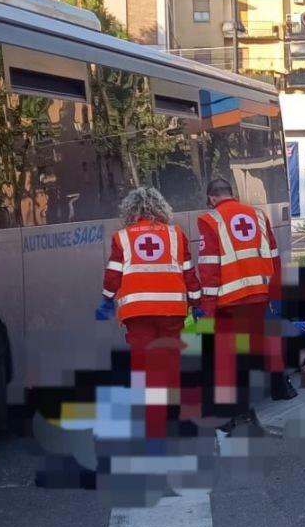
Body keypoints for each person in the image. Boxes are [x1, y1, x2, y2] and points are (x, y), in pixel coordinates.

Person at [96, 187, 200, 441]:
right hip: (171, 311)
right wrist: (197, 302)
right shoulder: (176, 235)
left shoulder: (122, 237)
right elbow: (188, 272)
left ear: (130, 210)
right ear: (160, 207)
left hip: (137, 313)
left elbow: (113, 275)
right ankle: (176, 418)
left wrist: (106, 300)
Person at [195, 178, 294, 415]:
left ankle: (237, 402)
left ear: (211, 197)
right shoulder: (258, 215)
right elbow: (274, 255)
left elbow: (209, 268)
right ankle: (281, 387)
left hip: (230, 298)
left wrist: (207, 309)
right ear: (232, 193)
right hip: (261, 293)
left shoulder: (209, 220)